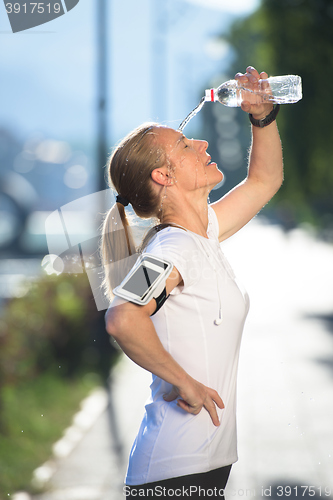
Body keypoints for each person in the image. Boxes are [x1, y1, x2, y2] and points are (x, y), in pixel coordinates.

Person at [101, 66, 283, 498]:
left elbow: (264, 180)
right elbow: (123, 318)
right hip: (175, 470)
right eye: (184, 145)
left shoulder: (203, 235)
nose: (200, 143)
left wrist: (263, 118)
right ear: (163, 177)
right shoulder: (171, 250)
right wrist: (183, 381)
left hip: (200, 465)